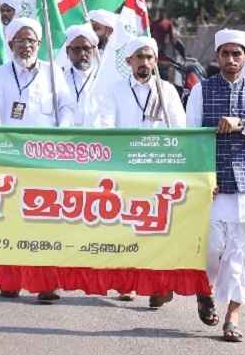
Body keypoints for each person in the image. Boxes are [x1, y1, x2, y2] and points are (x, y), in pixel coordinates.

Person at [186, 29, 245, 343]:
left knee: (243, 253)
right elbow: (191, 136)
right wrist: (200, 178)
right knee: (212, 249)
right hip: (213, 185)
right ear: (217, 57)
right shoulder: (201, 91)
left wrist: (243, 125)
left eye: (236, 54)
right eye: (225, 53)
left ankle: (233, 317)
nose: (231, 59)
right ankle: (205, 291)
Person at [93, 35, 187, 306]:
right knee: (126, 228)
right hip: (126, 170)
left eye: (149, 57)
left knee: (156, 230)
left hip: (159, 171)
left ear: (155, 61)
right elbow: (107, 126)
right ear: (129, 61)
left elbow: (179, 130)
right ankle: (128, 283)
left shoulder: (166, 90)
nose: (144, 62)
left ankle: (157, 286)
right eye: (139, 57)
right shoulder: (115, 89)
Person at [0, 16, 74, 303]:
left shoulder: (53, 72)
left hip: (46, 159)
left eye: (32, 41)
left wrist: (62, 136)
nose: (26, 46)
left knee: (46, 223)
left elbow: (67, 106)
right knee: (10, 221)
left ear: (39, 44)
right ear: (11, 43)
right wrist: (2, 147)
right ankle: (10, 280)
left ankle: (47, 283)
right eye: (21, 40)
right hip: (10, 158)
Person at [60, 24, 100, 126]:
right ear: (67, 51)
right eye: (77, 49)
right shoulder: (59, 78)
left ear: (94, 50)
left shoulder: (103, 78)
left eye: (86, 48)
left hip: (98, 139)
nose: (82, 54)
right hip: (67, 138)